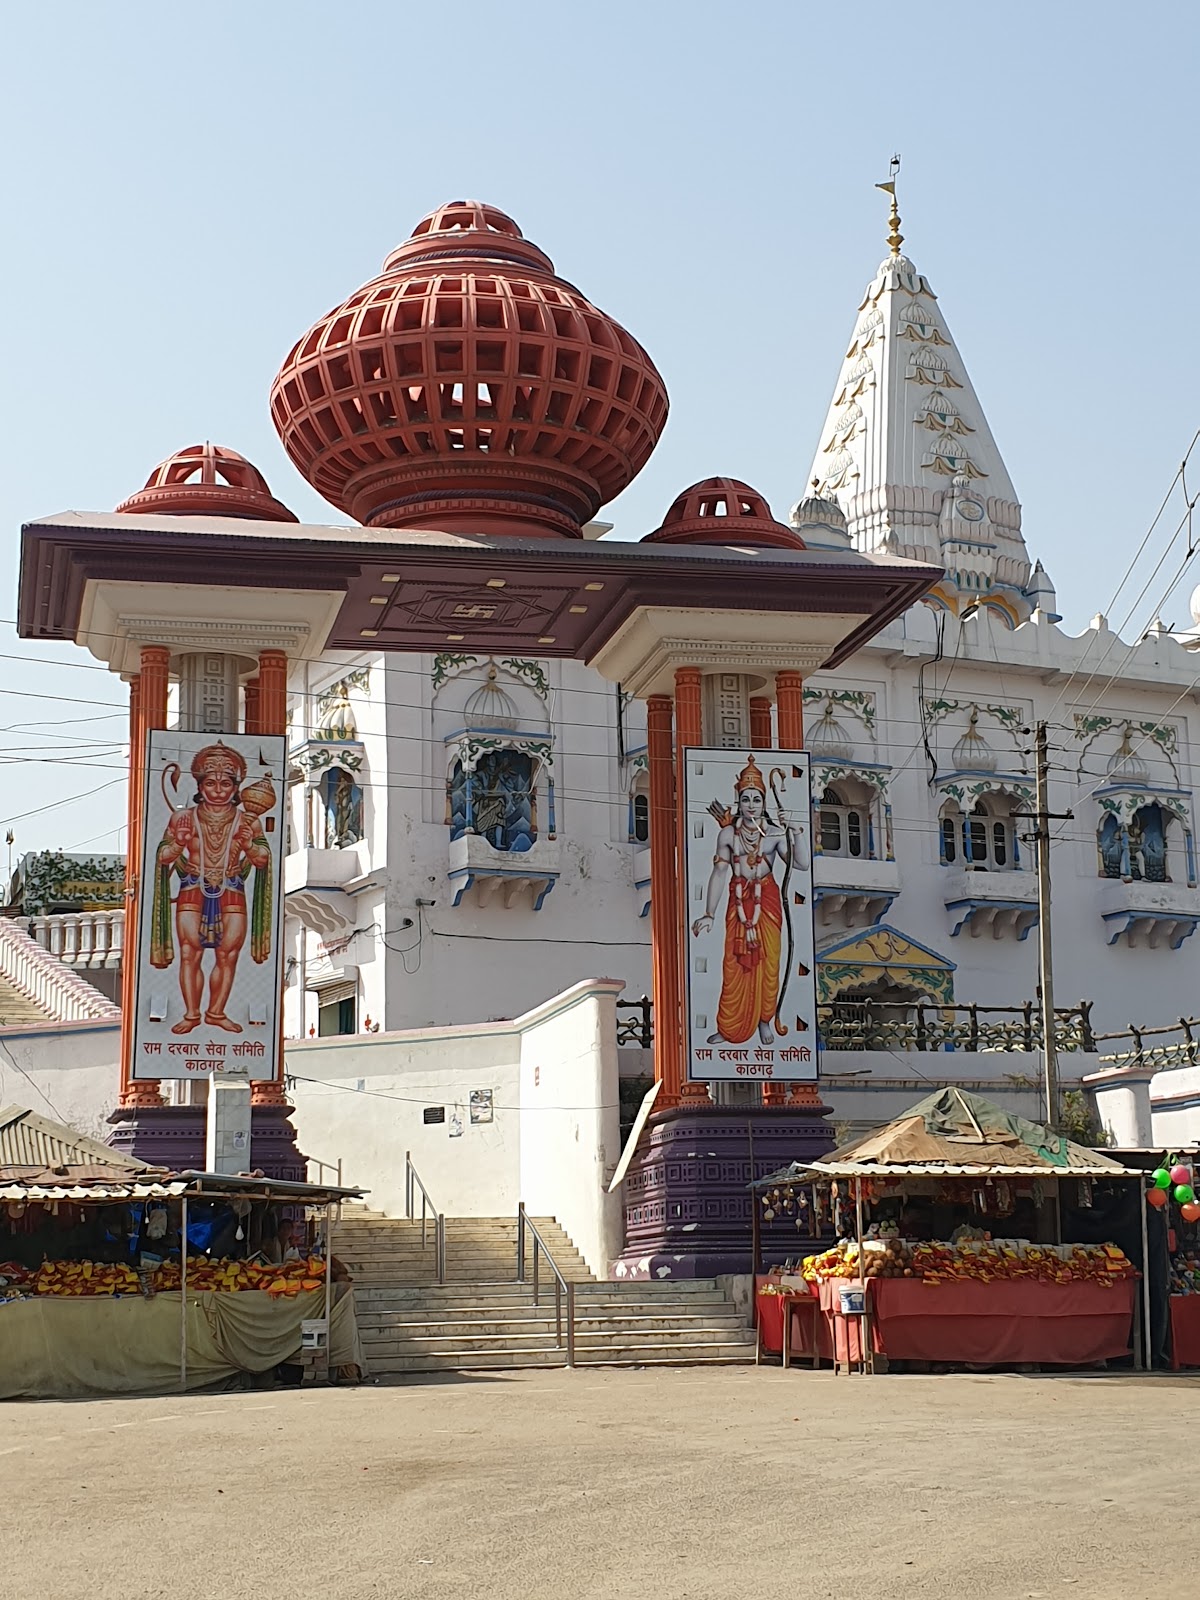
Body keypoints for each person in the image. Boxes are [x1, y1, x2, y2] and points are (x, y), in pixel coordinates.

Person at [150, 742, 273, 1035]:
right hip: (193, 884)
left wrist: (247, 844)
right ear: (200, 785)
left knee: (228, 954)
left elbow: (263, 859)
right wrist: (179, 841)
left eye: (225, 783)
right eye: (211, 783)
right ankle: (192, 1014)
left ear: (236, 788)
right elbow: (163, 858)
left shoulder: (248, 821)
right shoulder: (182, 818)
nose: (218, 790)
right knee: (190, 952)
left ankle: (216, 1012)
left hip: (231, 886)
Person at [691, 754, 809, 1045]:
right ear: (739, 801)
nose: (751, 805)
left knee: (768, 964)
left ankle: (765, 1021)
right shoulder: (728, 834)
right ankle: (730, 1028)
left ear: (764, 803)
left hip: (766, 902)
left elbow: (803, 864)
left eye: (757, 800)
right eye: (746, 799)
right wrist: (708, 913)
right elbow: (719, 872)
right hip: (738, 901)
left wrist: (795, 830)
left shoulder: (775, 834)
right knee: (734, 966)